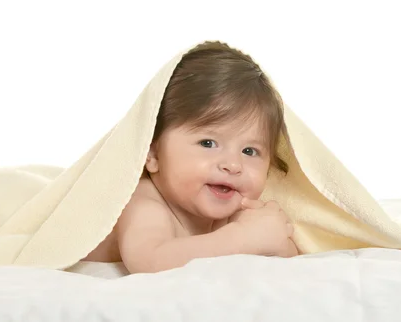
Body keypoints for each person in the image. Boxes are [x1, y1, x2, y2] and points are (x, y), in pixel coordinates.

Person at [83, 41, 298, 273]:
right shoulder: (143, 202)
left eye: (249, 151)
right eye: (208, 143)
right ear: (153, 153)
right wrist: (242, 238)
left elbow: (286, 255)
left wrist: (275, 239)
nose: (233, 165)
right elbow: (150, 261)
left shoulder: (238, 209)